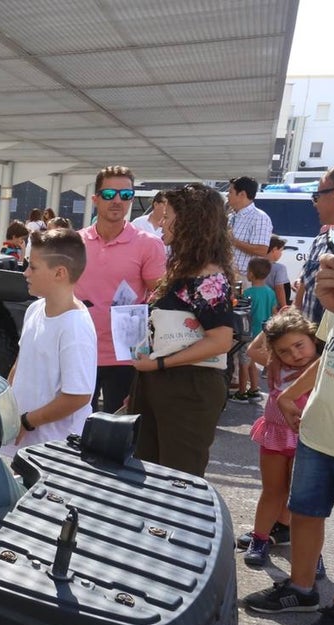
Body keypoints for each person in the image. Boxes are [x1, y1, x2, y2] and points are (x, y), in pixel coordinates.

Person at [244, 161, 334, 625]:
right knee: (306, 512)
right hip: (319, 426)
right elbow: (332, 349)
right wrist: (293, 395)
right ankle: (301, 589)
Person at [129, 183, 235, 477]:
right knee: (147, 473)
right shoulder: (185, 270)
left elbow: (221, 340)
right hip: (161, 383)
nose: (160, 222)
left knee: (177, 482)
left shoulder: (207, 277)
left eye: (167, 216)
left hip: (189, 388)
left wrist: (159, 364)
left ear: (190, 221)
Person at [75, 165, 167, 414]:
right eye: (108, 195)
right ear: (95, 199)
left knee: (119, 435)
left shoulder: (149, 244)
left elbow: (159, 299)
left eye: (125, 195)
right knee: (73, 432)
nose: (117, 201)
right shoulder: (75, 242)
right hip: (79, 350)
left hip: (127, 356)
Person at [240, 309, 322, 568]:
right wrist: (271, 326)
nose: (295, 355)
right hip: (276, 435)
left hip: (310, 440)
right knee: (273, 491)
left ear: (313, 338)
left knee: (304, 501)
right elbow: (254, 351)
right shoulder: (275, 363)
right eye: (284, 350)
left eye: (299, 345)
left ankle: (310, 555)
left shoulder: (324, 366)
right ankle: (260, 538)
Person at [2, 229, 96, 455]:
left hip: (52, 452)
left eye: (33, 267)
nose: (25, 273)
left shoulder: (75, 327)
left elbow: (78, 396)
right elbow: (21, 361)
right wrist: (6, 405)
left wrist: (27, 421)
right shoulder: (35, 309)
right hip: (19, 442)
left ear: (59, 273)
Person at [233, 257, 278, 402]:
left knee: (243, 363)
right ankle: (253, 388)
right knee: (252, 362)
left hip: (248, 333)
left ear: (251, 274)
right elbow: (274, 311)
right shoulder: (270, 292)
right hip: (262, 333)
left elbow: (242, 312)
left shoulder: (248, 293)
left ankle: (241, 392)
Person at [227, 175, 273, 284]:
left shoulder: (259, 217)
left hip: (244, 278)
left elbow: (261, 250)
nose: (227, 195)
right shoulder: (231, 216)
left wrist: (233, 241)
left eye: (230, 192)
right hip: (227, 273)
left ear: (242, 194)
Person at [266, 235, 291, 309]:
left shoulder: (255, 263)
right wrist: (284, 306)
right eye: (281, 251)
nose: (281, 254)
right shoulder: (280, 268)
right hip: (274, 305)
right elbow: (279, 288)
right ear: (274, 249)